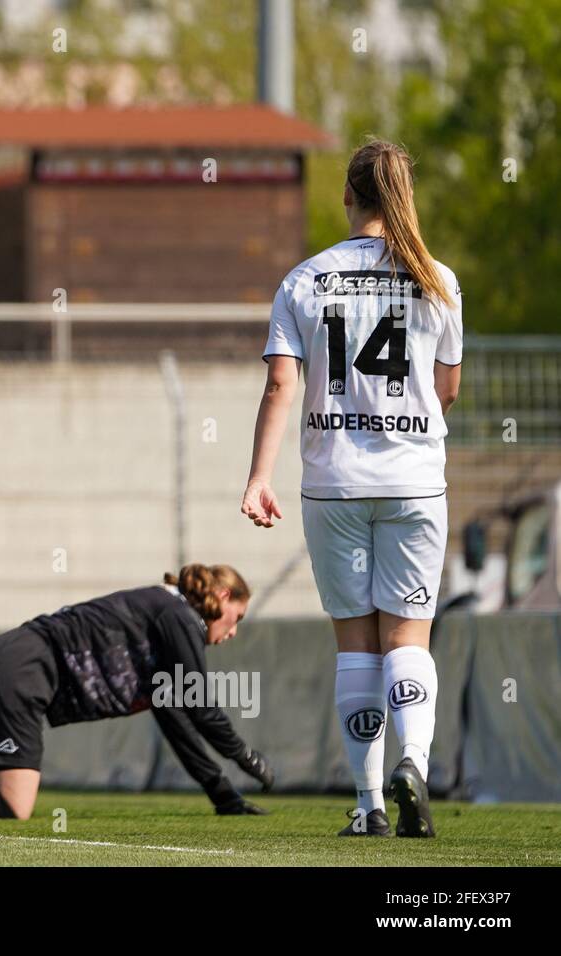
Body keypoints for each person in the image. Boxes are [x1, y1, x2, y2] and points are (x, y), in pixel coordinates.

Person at [241, 139, 462, 838]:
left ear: (346, 195)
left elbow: (282, 383)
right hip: (414, 482)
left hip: (333, 484)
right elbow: (446, 389)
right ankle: (415, 765)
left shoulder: (305, 279)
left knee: (357, 647)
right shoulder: (438, 280)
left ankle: (368, 806)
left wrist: (258, 478)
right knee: (409, 638)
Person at [0, 564, 274, 820]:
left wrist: (224, 796)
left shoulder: (166, 618)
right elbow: (200, 706)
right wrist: (245, 757)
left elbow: (174, 713)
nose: (233, 632)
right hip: (19, 671)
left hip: (4, 664)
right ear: (216, 600)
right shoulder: (178, 616)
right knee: (13, 805)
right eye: (236, 618)